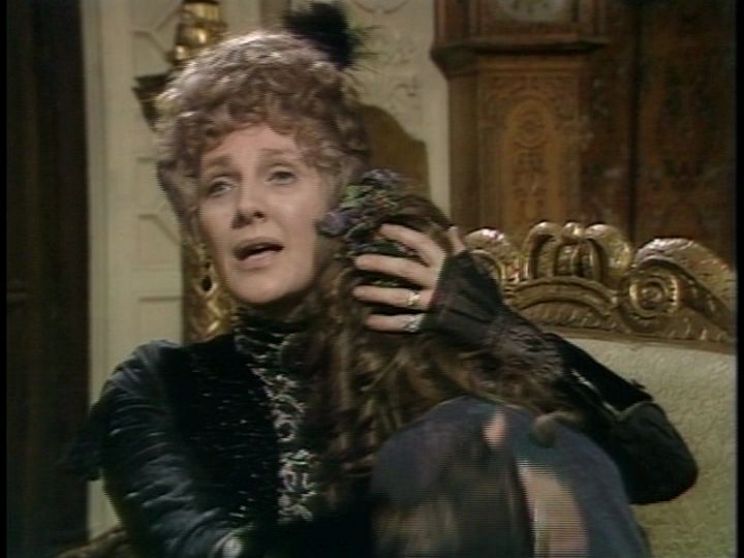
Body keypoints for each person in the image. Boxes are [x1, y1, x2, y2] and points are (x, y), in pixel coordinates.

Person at [62, 3, 696, 557]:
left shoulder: (414, 351)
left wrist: (495, 328)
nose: (247, 206)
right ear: (198, 223)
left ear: (339, 199)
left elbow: (661, 468)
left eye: (281, 174)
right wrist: (429, 510)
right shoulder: (158, 386)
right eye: (219, 186)